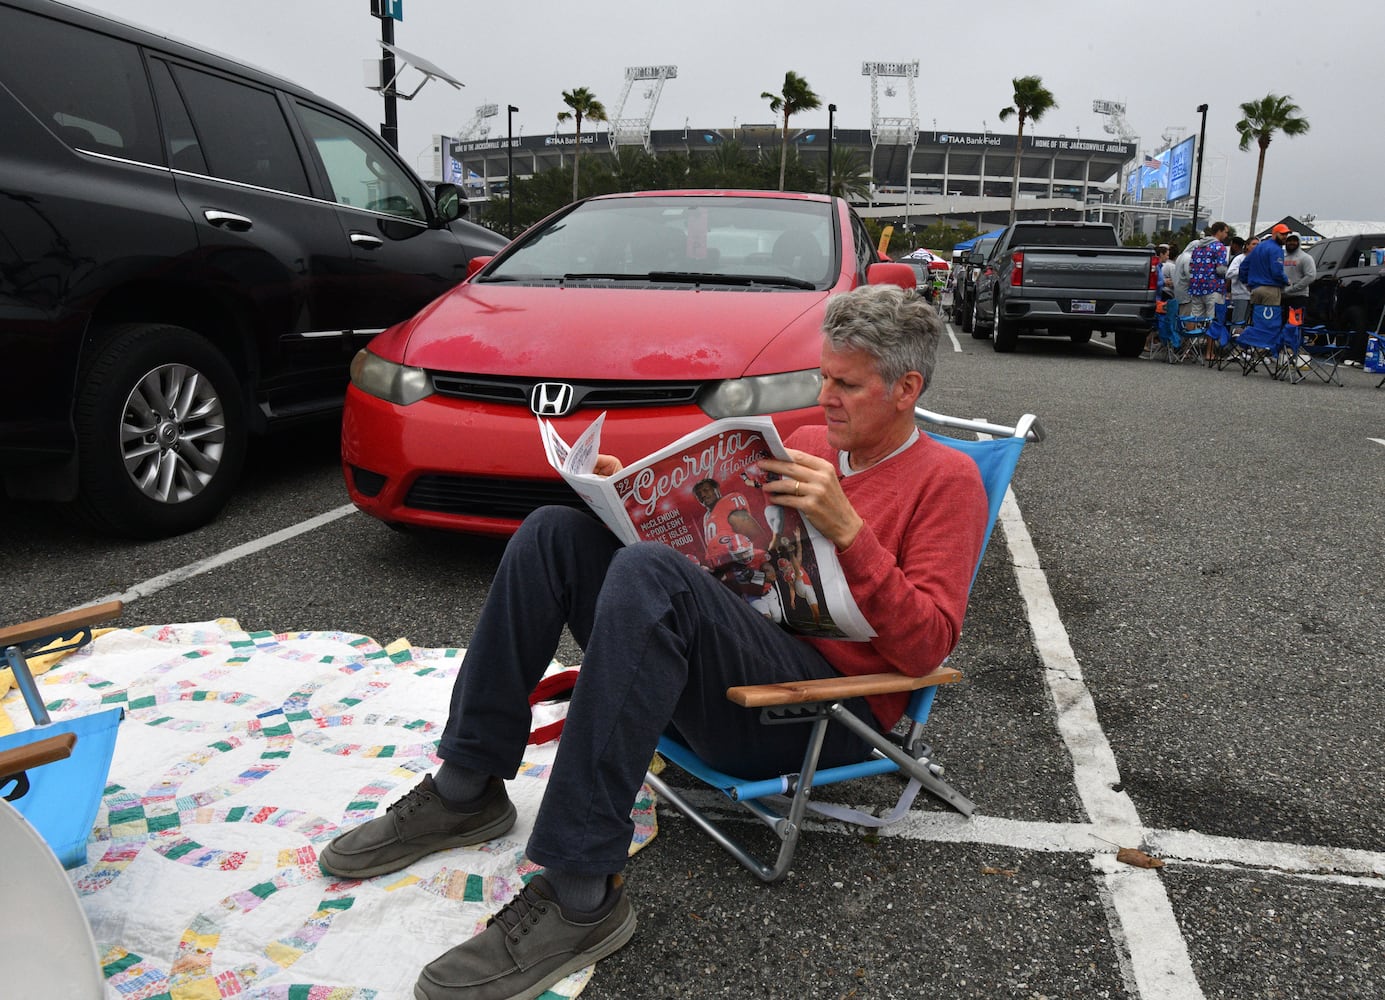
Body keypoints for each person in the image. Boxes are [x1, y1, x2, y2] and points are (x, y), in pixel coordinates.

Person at [316, 284, 989, 1000]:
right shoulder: (805, 446)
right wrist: (630, 501)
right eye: (821, 376)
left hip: (814, 715)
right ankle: (466, 785)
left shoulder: (947, 482)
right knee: (552, 533)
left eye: (845, 384)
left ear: (905, 387)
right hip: (732, 666)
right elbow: (735, 560)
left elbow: (924, 651)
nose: (823, 397)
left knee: (648, 574)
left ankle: (581, 892)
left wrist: (849, 532)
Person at [1243, 223, 1292, 307]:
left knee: (1256, 317)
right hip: (1270, 290)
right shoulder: (1276, 249)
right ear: (1274, 234)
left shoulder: (1258, 247)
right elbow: (1277, 272)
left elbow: (1243, 267)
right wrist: (1286, 280)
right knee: (1269, 318)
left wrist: (1246, 282)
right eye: (1282, 234)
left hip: (1255, 289)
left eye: (1286, 234)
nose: (1285, 237)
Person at [1226, 236, 1259, 327]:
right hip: (1240, 295)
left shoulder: (1259, 260)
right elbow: (1229, 274)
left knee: (1246, 323)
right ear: (1247, 246)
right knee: (1238, 321)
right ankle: (1233, 340)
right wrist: (1243, 271)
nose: (1256, 246)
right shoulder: (1239, 258)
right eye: (1253, 244)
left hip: (1253, 296)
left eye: (1258, 244)